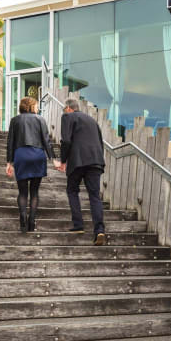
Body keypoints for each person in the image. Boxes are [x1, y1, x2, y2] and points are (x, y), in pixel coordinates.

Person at [57, 99, 106, 245]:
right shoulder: (92, 120)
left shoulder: (67, 116)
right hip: (95, 161)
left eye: (64, 109)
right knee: (94, 196)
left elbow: (66, 141)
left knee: (72, 190)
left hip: (77, 161)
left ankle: (78, 225)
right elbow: (100, 142)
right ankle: (99, 230)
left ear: (68, 108)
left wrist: (63, 160)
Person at [6, 97, 56, 233]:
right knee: (34, 192)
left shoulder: (14, 120)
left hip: (20, 155)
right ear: (31, 106)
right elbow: (46, 140)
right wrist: (53, 158)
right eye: (36, 105)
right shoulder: (40, 119)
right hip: (37, 155)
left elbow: (10, 142)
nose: (38, 108)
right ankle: (32, 222)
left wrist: (9, 162)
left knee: (22, 192)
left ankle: (23, 219)